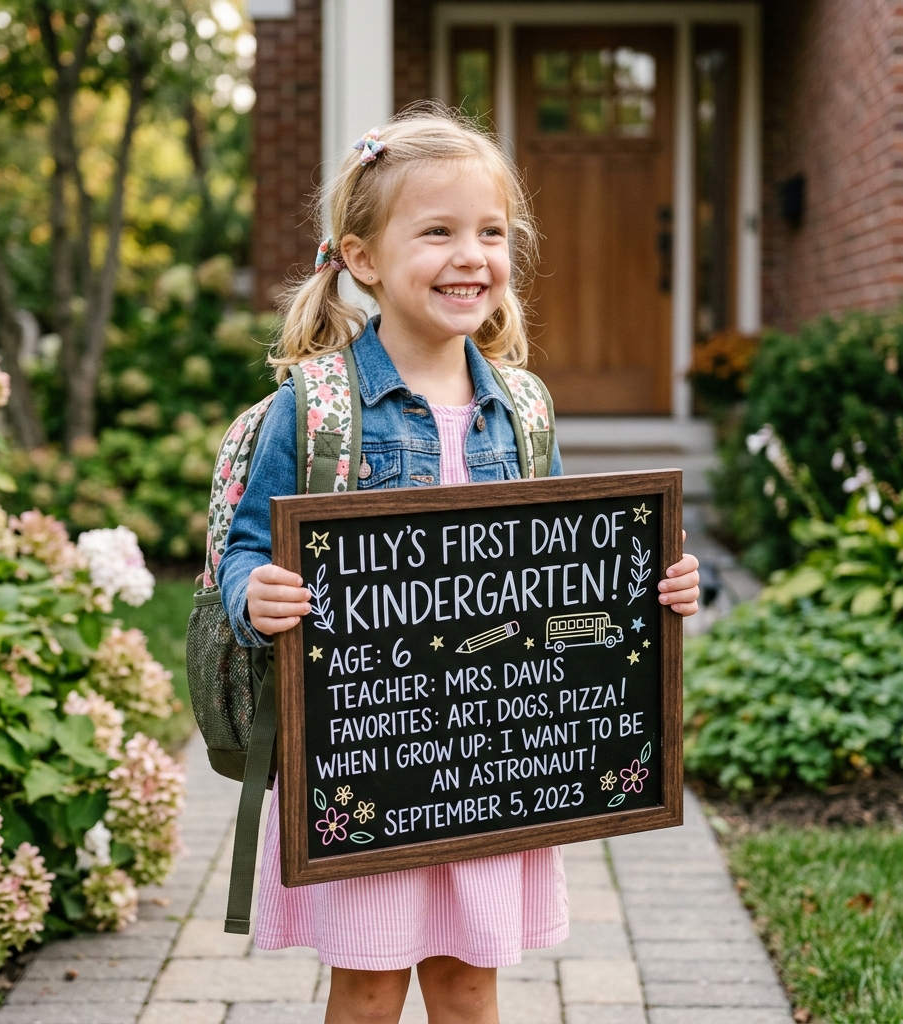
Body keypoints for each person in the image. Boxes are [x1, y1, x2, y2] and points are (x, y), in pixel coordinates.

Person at [218, 105, 700, 1024]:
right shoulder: (317, 407)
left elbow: (572, 554)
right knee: (364, 990)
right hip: (368, 756)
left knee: (470, 986)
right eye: (436, 231)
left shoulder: (522, 407)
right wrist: (259, 592)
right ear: (362, 259)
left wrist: (657, 583)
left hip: (492, 756)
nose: (470, 254)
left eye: (490, 232)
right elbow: (247, 546)